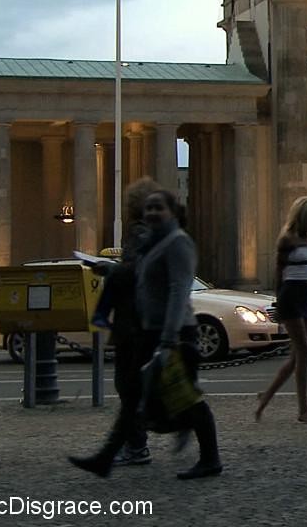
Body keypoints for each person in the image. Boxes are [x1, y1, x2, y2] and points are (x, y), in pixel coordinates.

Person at [71, 189, 222, 480]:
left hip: (173, 331)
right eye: (148, 208)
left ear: (173, 212)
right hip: (151, 329)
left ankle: (209, 457)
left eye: (158, 208)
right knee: (135, 394)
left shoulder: (178, 243)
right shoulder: (155, 242)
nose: (151, 213)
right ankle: (107, 457)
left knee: (186, 398)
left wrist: (169, 338)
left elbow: (180, 290)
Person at [88, 177, 161, 468]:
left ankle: (135, 445)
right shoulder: (156, 232)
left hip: (134, 319)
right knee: (133, 386)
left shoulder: (139, 232)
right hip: (141, 317)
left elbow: (137, 272)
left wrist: (110, 269)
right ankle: (133, 443)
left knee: (127, 385)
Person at [255, 196, 307, 424]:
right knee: (304, 352)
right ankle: (303, 411)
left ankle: (265, 398)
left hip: (305, 297)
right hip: (291, 298)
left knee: (297, 357)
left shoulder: (306, 240)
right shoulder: (287, 240)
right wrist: (277, 302)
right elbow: (278, 273)